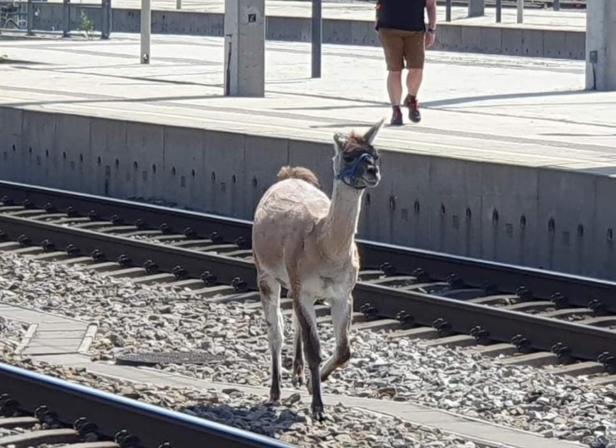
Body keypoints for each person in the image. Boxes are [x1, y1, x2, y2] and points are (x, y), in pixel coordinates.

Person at [375, 0, 437, 125]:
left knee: (417, 69)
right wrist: (377, 19)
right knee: (394, 70)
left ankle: (411, 99)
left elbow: (431, 5)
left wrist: (432, 30)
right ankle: (396, 110)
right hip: (388, 27)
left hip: (415, 30)